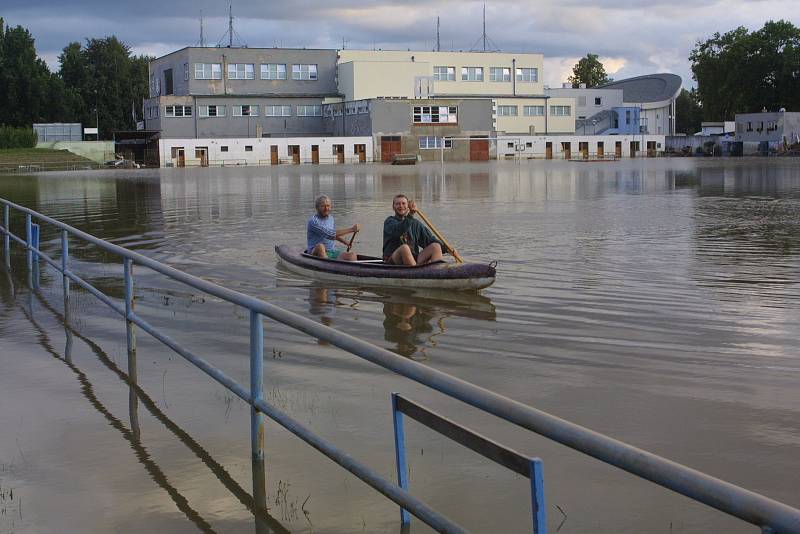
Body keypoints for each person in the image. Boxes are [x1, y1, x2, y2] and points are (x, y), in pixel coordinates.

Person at [382, 194, 456, 265]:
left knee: (435, 246)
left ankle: (437, 270)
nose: (401, 206)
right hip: (393, 260)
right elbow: (399, 230)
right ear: (393, 207)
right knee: (404, 248)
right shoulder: (389, 222)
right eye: (397, 204)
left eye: (403, 203)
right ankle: (415, 272)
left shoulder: (415, 223)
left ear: (408, 206)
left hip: (413, 258)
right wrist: (410, 215)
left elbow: (429, 240)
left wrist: (447, 249)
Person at [307, 195, 360, 261]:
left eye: (328, 206)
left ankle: (340, 267)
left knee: (352, 255)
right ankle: (328, 265)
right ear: (317, 207)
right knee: (320, 247)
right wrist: (352, 229)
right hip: (315, 252)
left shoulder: (331, 218)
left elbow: (332, 235)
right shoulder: (313, 221)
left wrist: (345, 242)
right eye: (323, 206)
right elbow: (329, 234)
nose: (326, 208)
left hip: (331, 251)